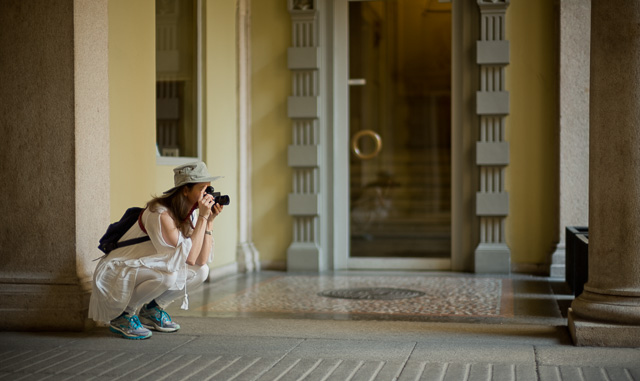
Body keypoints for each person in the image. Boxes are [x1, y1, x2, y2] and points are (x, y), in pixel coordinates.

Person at [89, 161, 223, 339]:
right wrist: (203, 217)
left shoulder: (189, 212)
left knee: (202, 272)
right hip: (119, 269)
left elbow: (200, 260)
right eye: (202, 189)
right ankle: (123, 316)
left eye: (209, 189)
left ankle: (151, 310)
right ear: (185, 190)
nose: (207, 195)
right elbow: (190, 258)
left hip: (148, 266)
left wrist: (209, 220)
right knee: (167, 276)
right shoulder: (160, 213)